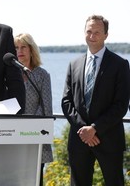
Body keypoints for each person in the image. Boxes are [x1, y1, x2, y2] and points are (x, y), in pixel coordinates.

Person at [61, 15, 130, 186]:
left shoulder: (120, 64)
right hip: (79, 140)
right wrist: (84, 131)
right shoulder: (74, 64)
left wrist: (94, 128)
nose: (92, 36)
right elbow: (66, 102)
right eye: (89, 31)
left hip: (109, 139)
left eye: (97, 32)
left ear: (106, 35)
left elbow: (121, 105)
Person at [14, 33, 53, 186]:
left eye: (23, 47)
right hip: (10, 138)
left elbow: (47, 108)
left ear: (31, 50)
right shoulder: (9, 75)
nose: (20, 51)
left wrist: (29, 130)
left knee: (36, 181)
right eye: (16, 48)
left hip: (35, 139)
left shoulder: (42, 75)